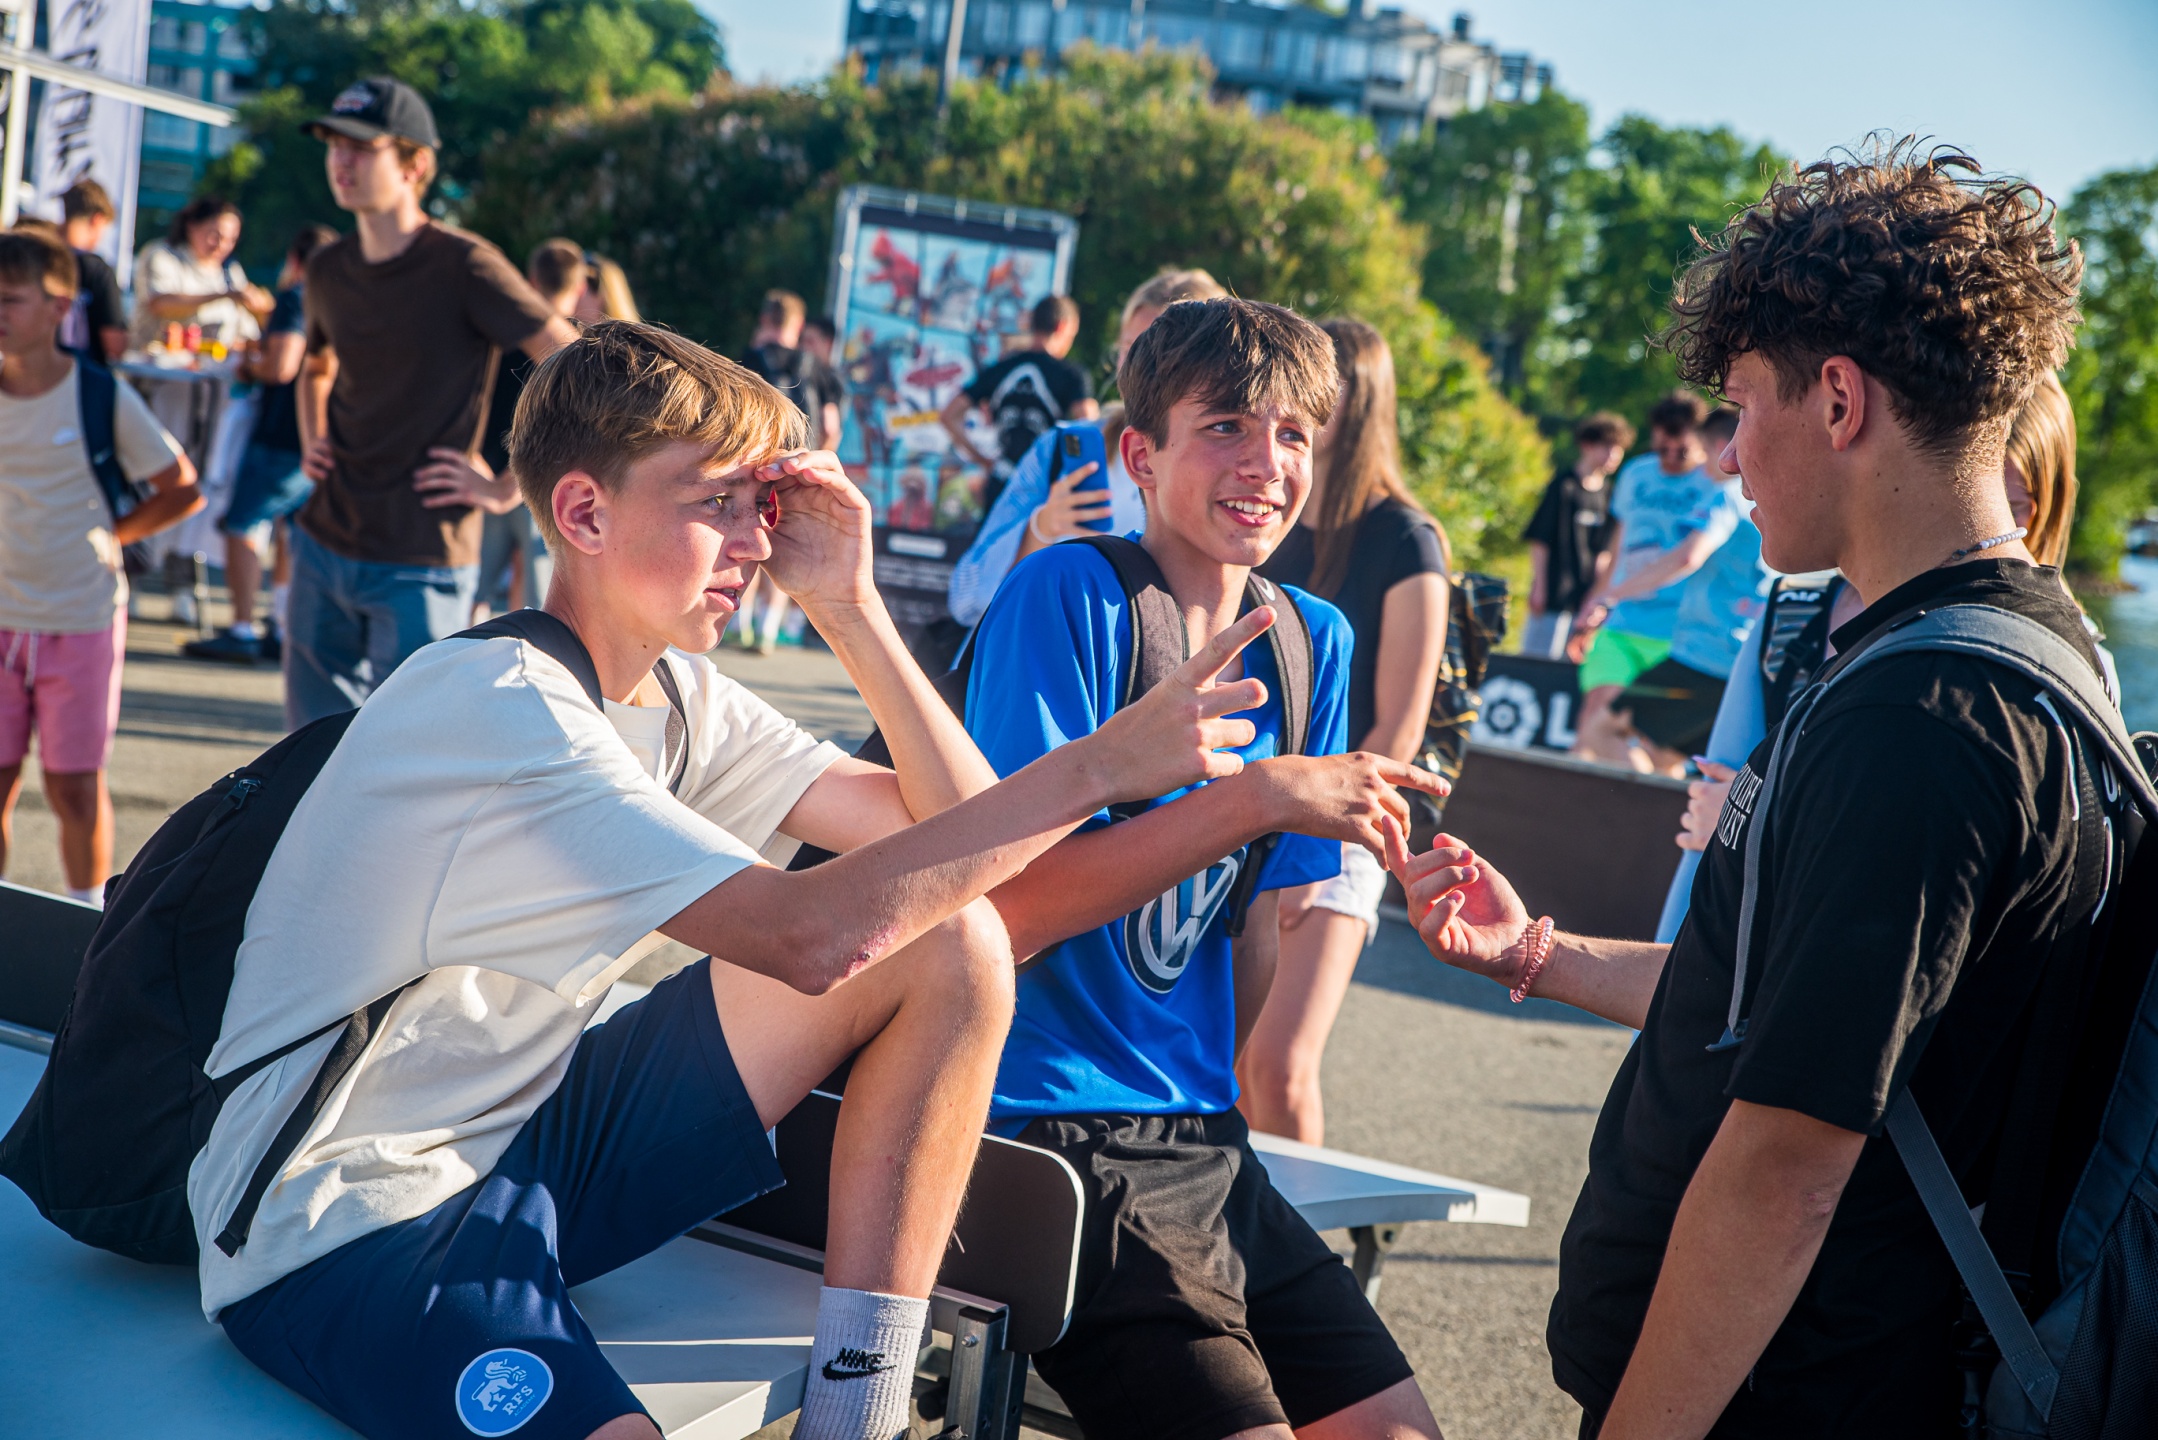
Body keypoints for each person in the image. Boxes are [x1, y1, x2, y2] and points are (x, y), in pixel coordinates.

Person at [195, 318, 1289, 1440]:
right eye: (715, 503)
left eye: (758, 506)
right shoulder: (500, 705)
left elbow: (963, 837)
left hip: (525, 1142)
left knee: (951, 938)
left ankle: (857, 1411)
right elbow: (809, 939)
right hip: (348, 1215)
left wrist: (851, 606)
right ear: (584, 514)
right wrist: (1097, 768)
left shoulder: (671, 691)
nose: (755, 543)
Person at [1403, 143, 2097, 1437]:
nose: (1727, 456)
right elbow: (1786, 1005)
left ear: (1836, 401)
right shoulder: (2016, 660)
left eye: (1737, 407)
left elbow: (1787, 1167)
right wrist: (1535, 953)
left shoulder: (1919, 716)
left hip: (1793, 1399)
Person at [964, 297, 1445, 1440]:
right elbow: (1005, 911)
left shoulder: (1310, 639)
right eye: (1225, 425)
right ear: (1139, 454)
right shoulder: (1070, 592)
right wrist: (1256, 795)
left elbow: (1256, 933)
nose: (1265, 462)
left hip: (1203, 1137)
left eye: (1293, 434)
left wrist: (1209, 1098)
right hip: (1043, 1135)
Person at [1655, 370, 2092, 943]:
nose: (1730, 460)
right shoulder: (1790, 619)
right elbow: (1703, 844)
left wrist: (1759, 821)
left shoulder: (2062, 665)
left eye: (2006, 507)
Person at [287, 77, 579, 729]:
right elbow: (317, 365)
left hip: (422, 557)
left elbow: (569, 358)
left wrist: (509, 486)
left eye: (362, 147)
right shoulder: (327, 268)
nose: (341, 160)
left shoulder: (464, 264)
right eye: (333, 144)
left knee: (412, 752)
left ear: (415, 164)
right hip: (322, 543)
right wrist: (311, 437)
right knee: (305, 756)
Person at [1240, 317, 1451, 1144]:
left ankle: (1297, 1229)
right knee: (1225, 1063)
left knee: (1279, 1066)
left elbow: (1398, 727)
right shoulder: (1267, 517)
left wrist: (1311, 849)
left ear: (1352, 400)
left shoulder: (1406, 538)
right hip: (1247, 809)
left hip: (1342, 827)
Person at [0, 227, 200, 903]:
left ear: (59, 308)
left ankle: (83, 924)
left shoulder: (98, 393)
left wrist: (115, 536)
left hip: (80, 618)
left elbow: (182, 487)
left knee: (74, 787)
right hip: (2, 619)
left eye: (11, 299)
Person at [947, 267, 1227, 626]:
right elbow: (966, 598)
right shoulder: (1062, 448)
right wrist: (1040, 529)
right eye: (1131, 348)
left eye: (1165, 353)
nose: (1141, 367)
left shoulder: (1236, 471)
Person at [183, 224, 342, 664]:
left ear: (295, 260)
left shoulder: (296, 298)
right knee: (292, 533)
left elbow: (283, 366)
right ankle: (281, 624)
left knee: (241, 525)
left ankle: (241, 626)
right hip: (319, 438)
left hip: (281, 435)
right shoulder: (343, 301)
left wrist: (251, 365)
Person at [1568, 391, 1742, 770]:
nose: (1670, 458)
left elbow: (1690, 557)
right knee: (1595, 719)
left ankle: (1643, 802)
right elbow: (1617, 548)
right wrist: (1598, 600)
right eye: (1662, 448)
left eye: (1681, 450)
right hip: (1624, 620)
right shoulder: (1636, 474)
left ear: (1701, 442)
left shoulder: (1718, 484)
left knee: (1658, 752)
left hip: (1678, 635)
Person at [436, 237, 592, 620]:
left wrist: (482, 467)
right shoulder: (578, 350)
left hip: (487, 475)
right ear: (579, 287)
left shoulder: (505, 338)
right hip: (542, 488)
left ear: (531, 280)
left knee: (469, 597)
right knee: (545, 607)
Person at [1604, 408, 1765, 776]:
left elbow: (1688, 556)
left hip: (1703, 657)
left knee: (1601, 730)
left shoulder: (1724, 496)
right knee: (1666, 759)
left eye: (1704, 453)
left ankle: (1629, 811)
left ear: (1723, 448)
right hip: (1743, 664)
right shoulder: (1763, 501)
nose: (1703, 467)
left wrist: (1613, 594)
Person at [939, 292, 1098, 511]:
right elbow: (1087, 427)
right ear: (1062, 327)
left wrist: (983, 460)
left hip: (1001, 486)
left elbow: (949, 416)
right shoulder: (1070, 375)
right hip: (1044, 492)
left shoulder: (1000, 368)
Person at [1520, 412, 1632, 659]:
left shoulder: (1610, 496)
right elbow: (1540, 540)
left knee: (1572, 666)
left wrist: (1598, 597)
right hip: (1554, 594)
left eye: (1618, 449)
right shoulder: (1564, 486)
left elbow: (1605, 553)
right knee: (1537, 662)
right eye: (1607, 447)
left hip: (1585, 602)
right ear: (1587, 445)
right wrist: (1539, 586)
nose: (1613, 455)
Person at [129, 194, 272, 353]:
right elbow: (160, 304)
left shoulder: (230, 270)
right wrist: (225, 295)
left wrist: (262, 310)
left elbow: (248, 331)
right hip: (158, 364)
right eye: (215, 236)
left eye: (231, 240)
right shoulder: (161, 255)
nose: (222, 245)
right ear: (192, 226)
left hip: (215, 365)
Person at [738, 289, 841, 449]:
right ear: (800, 325)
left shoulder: (750, 359)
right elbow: (830, 428)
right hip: (802, 457)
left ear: (764, 319)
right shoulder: (814, 364)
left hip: (761, 458)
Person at [57, 180, 126, 363]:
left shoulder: (34, 259)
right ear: (97, 220)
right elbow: (115, 344)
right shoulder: (97, 270)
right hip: (80, 370)